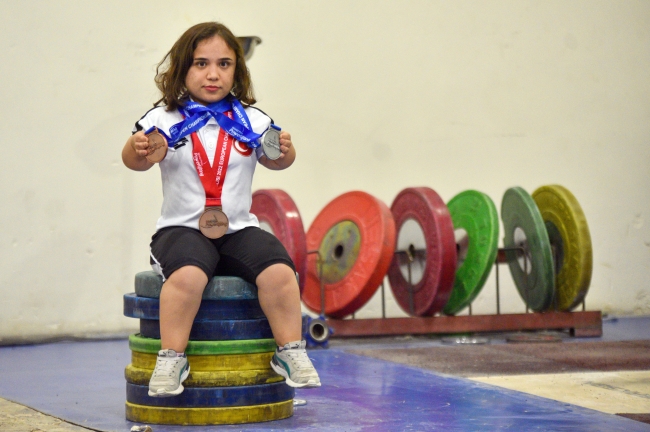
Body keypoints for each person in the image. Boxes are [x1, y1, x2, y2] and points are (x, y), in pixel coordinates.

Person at [121, 21, 320, 397]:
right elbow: (135, 159)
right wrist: (136, 148)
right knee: (189, 276)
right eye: (201, 63)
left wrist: (287, 150)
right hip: (181, 229)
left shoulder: (253, 119)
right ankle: (171, 358)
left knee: (280, 271)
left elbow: (278, 160)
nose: (213, 74)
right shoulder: (163, 118)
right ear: (183, 68)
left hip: (239, 230)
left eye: (224, 64)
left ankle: (290, 351)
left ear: (237, 71)